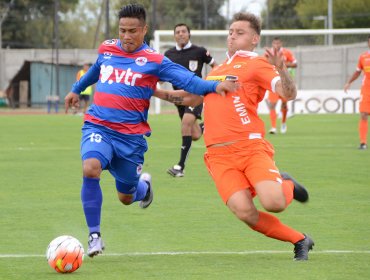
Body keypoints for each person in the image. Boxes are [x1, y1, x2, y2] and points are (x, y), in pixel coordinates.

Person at [64, 3, 237, 258]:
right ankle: (94, 236)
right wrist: (76, 89)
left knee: (126, 196)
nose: (126, 36)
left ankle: (144, 187)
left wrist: (214, 87)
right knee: (90, 167)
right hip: (98, 125)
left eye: (132, 31)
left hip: (131, 138)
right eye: (122, 30)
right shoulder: (108, 48)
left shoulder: (155, 61)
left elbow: (187, 80)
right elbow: (95, 70)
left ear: (144, 30)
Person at [172, 12, 314, 261]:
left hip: (249, 148)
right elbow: (192, 97)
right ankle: (300, 240)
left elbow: (287, 93)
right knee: (245, 212)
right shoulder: (219, 70)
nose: (232, 36)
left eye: (240, 32)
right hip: (217, 155)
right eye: (230, 32)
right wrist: (153, 92)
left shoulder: (257, 63)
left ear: (254, 39)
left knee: (274, 203)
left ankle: (287, 184)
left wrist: (281, 69)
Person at [164, 23, 217, 177]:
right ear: (174, 35)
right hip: (179, 98)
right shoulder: (169, 54)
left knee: (186, 123)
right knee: (194, 134)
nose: (181, 34)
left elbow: (216, 66)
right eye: (178, 32)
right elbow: (160, 76)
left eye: (183, 31)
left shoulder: (199, 51)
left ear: (189, 34)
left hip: (196, 95)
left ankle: (180, 167)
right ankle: (207, 126)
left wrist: (209, 83)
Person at [266, 37, 297, 134]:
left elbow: (295, 64)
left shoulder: (287, 53)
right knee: (272, 104)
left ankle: (283, 123)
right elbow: (264, 65)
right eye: (274, 43)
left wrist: (281, 64)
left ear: (281, 44)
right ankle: (273, 127)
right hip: (273, 81)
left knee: (284, 105)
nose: (276, 45)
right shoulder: (268, 53)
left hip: (284, 82)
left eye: (278, 43)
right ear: (272, 44)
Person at [344, 35, 370, 150]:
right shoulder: (363, 57)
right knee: (364, 114)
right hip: (366, 89)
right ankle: (363, 143)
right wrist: (349, 82)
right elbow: (357, 72)